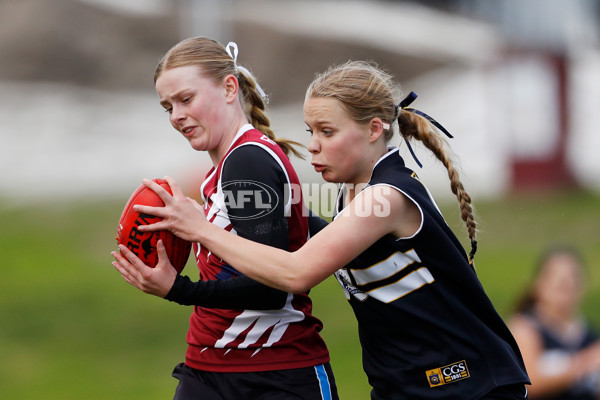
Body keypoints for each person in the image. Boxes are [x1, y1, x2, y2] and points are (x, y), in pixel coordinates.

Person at [118, 60, 530, 399]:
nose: (313, 145)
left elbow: (296, 273)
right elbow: (282, 239)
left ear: (373, 130)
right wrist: (213, 213)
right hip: (405, 386)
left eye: (327, 132)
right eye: (310, 132)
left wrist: (196, 244)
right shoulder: (348, 196)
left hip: (468, 382)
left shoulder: (386, 198)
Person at [112, 37, 338, 400]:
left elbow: (271, 288)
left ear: (229, 88)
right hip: (210, 368)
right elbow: (299, 229)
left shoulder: (247, 161)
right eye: (167, 106)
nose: (176, 115)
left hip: (271, 374)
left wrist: (179, 287)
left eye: (186, 99)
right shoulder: (228, 165)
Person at [509, 246, 600, 399]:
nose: (566, 282)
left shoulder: (590, 335)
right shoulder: (525, 329)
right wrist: (586, 362)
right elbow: (527, 384)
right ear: (538, 284)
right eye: (556, 276)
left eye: (573, 276)